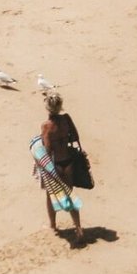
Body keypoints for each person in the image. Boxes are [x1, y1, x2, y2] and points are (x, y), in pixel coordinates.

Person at [31, 96, 86, 245]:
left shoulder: (46, 126)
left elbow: (48, 149)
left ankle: (53, 225)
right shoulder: (66, 119)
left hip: (55, 164)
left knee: (51, 195)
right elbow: (75, 137)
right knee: (69, 194)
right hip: (68, 162)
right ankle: (79, 228)